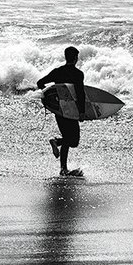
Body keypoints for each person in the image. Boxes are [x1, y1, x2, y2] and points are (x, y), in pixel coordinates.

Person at [37, 46, 86, 176]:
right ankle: (62, 165)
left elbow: (40, 83)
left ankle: (63, 165)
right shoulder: (78, 74)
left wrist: (49, 98)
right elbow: (80, 94)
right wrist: (82, 112)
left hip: (59, 110)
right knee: (73, 141)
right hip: (72, 110)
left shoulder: (57, 72)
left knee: (68, 138)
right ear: (75, 58)